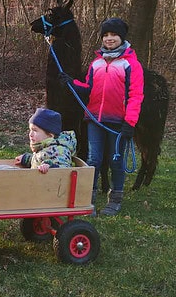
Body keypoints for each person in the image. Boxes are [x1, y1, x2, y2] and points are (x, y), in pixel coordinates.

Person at [59, 18, 144, 215]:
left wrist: (130, 122)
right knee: (93, 158)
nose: (109, 38)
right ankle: (89, 197)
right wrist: (72, 83)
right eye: (105, 35)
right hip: (95, 119)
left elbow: (136, 95)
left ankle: (115, 199)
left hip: (118, 121)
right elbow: (89, 88)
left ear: (121, 37)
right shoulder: (96, 63)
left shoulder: (130, 64)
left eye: (113, 35)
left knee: (116, 160)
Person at [14, 108, 76, 174]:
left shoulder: (59, 150)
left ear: (50, 135)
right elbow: (41, 157)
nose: (30, 134)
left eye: (35, 130)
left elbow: (63, 169)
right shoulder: (43, 147)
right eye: (30, 130)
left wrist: (50, 167)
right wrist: (26, 159)